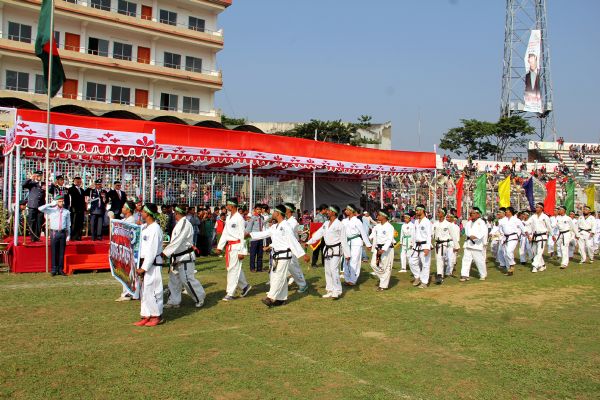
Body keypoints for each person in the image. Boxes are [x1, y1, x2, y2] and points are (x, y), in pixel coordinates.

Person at [248, 204, 305, 307]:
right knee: (277, 277)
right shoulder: (275, 226)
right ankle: (281, 299)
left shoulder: (286, 226)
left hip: (284, 255)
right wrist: (250, 234)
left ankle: (271, 297)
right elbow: (264, 233)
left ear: (278, 213)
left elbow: (293, 241)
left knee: (279, 276)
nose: (272, 214)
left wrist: (302, 254)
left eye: (274, 212)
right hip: (276, 255)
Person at [164, 205, 206, 309]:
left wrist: (165, 252)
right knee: (174, 280)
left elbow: (178, 240)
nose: (174, 215)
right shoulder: (179, 224)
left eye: (174, 213)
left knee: (187, 279)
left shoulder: (184, 224)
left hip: (185, 256)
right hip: (177, 256)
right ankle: (174, 300)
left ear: (177, 213)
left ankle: (200, 298)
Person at [305, 205, 350, 299]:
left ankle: (337, 291)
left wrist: (347, 254)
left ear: (334, 213)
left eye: (329, 211)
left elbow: (344, 240)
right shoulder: (325, 223)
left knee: (334, 269)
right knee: (327, 270)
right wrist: (309, 242)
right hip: (327, 249)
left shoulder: (340, 225)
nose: (327, 212)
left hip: (336, 250)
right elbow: (318, 234)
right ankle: (329, 289)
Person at [133, 203, 164, 327]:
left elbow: (152, 250)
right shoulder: (145, 227)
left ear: (148, 213)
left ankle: (156, 315)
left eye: (143, 211)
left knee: (153, 289)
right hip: (143, 261)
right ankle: (146, 314)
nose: (141, 213)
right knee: (144, 291)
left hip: (153, 264)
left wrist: (144, 267)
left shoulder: (155, 229)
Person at [215, 198, 252, 301]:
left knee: (233, 270)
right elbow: (225, 233)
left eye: (228, 205)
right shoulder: (228, 218)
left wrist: (242, 251)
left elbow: (242, 235)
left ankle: (230, 293)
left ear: (232, 206)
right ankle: (245, 286)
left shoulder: (239, 218)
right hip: (230, 247)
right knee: (234, 269)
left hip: (237, 247)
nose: (226, 207)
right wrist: (219, 247)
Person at [38, 195, 70, 276]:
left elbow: (68, 224)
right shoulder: (51, 210)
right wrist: (50, 204)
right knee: (54, 251)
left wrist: (68, 235)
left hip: (62, 232)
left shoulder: (66, 211)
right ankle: (53, 269)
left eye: (62, 201)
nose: (61, 203)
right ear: (56, 202)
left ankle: (60, 269)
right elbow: (40, 208)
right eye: (59, 201)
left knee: (61, 252)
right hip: (54, 232)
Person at [115, 201, 139, 302]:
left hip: (129, 250)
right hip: (124, 249)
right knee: (125, 271)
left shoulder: (131, 220)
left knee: (128, 272)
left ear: (128, 210)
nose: (122, 208)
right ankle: (129, 292)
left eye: (124, 207)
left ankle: (128, 293)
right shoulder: (126, 219)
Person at [342, 204, 371, 286]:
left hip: (356, 242)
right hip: (347, 242)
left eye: (347, 210)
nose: (345, 211)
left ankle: (353, 280)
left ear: (351, 211)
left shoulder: (357, 221)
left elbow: (363, 233)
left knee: (354, 261)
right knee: (346, 260)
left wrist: (368, 244)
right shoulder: (344, 221)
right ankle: (347, 279)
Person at [283, 203, 308, 292]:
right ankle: (282, 286)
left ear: (289, 210)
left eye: (285, 208)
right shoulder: (286, 220)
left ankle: (302, 284)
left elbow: (292, 237)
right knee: (284, 268)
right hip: (285, 247)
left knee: (294, 267)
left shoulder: (292, 222)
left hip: (292, 247)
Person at [460, 207, 488, 282]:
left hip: (477, 244)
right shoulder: (468, 223)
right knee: (465, 260)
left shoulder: (481, 222)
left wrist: (476, 237)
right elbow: (466, 232)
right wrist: (469, 236)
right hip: (468, 244)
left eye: (474, 213)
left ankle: (483, 274)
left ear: (478, 214)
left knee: (479, 261)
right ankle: (464, 275)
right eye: (471, 213)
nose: (472, 214)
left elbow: (483, 232)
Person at [369, 209, 395, 291]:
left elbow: (389, 239)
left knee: (386, 267)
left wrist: (384, 249)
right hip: (377, 248)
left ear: (384, 216)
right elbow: (372, 235)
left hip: (387, 249)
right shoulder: (377, 226)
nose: (377, 216)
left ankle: (383, 285)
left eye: (379, 215)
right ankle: (383, 278)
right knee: (373, 264)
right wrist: (368, 243)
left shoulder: (390, 227)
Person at [408, 204, 432, 288]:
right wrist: (412, 244)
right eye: (416, 210)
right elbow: (414, 234)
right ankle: (417, 276)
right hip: (416, 245)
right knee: (411, 261)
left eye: (418, 210)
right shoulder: (416, 221)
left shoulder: (427, 222)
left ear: (422, 210)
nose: (416, 212)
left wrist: (427, 247)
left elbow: (429, 235)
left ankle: (424, 282)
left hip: (424, 244)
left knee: (425, 264)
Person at [528, 202, 552, 273]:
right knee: (535, 252)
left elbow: (549, 227)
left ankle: (535, 266)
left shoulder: (545, 217)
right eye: (536, 207)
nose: (536, 208)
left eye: (538, 207)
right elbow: (528, 224)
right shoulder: (533, 216)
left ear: (541, 208)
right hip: (535, 236)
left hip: (542, 236)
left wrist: (552, 235)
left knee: (539, 251)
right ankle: (542, 265)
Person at [499, 207, 523, 276]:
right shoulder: (503, 220)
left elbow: (522, 228)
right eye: (506, 211)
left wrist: (528, 236)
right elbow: (499, 228)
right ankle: (509, 270)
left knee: (509, 251)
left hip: (513, 237)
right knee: (505, 253)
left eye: (507, 211)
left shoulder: (516, 220)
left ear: (511, 212)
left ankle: (512, 264)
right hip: (505, 237)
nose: (506, 212)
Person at [22, 170, 45, 242]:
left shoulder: (44, 184)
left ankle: (37, 236)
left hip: (41, 206)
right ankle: (32, 237)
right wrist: (30, 178)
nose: (39, 177)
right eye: (38, 176)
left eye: (40, 176)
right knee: (32, 221)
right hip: (32, 205)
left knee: (39, 221)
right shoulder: (32, 183)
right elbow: (24, 185)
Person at [432, 208, 453, 285]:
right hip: (437, 243)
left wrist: (456, 246)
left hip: (445, 243)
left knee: (440, 258)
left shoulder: (448, 224)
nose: (438, 213)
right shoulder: (435, 223)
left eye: (439, 212)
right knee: (439, 259)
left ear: (443, 214)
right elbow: (432, 233)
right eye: (438, 212)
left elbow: (452, 235)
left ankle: (439, 275)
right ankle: (440, 274)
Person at [553, 205, 577, 269]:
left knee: (564, 248)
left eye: (560, 210)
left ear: (564, 210)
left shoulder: (568, 218)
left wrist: (577, 235)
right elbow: (554, 225)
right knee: (559, 247)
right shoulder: (558, 218)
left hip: (566, 234)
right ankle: (563, 259)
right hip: (560, 234)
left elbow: (573, 227)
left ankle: (564, 263)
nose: (559, 211)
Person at [245, 204, 265, 272]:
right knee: (253, 254)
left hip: (260, 237)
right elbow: (249, 228)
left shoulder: (262, 218)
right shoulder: (252, 218)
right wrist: (246, 235)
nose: (259, 210)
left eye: (260, 209)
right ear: (255, 210)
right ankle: (252, 268)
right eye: (257, 209)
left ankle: (259, 268)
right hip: (254, 238)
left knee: (260, 254)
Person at [311, 204, 329, 268]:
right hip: (318, 236)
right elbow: (314, 227)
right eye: (326, 209)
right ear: (323, 209)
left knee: (324, 250)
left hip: (325, 236)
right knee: (316, 250)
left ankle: (324, 263)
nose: (327, 211)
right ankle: (313, 264)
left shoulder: (326, 217)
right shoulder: (317, 217)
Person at [67, 176, 85, 241]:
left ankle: (79, 236)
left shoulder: (82, 190)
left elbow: (83, 200)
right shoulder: (71, 189)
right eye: (77, 181)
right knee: (74, 223)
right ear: (74, 182)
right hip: (74, 209)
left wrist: (84, 209)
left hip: (81, 209)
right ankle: (73, 236)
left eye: (80, 182)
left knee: (80, 223)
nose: (79, 183)